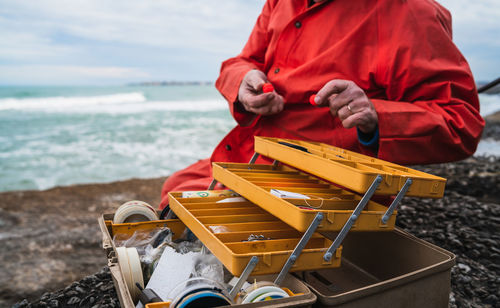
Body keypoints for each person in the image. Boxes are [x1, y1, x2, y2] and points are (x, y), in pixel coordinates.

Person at [159, 0, 484, 209]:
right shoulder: (281, 2)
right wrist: (244, 84)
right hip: (255, 158)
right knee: (177, 189)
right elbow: (243, 61)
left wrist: (375, 117)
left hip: (327, 188)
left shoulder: (407, 11)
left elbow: (461, 122)